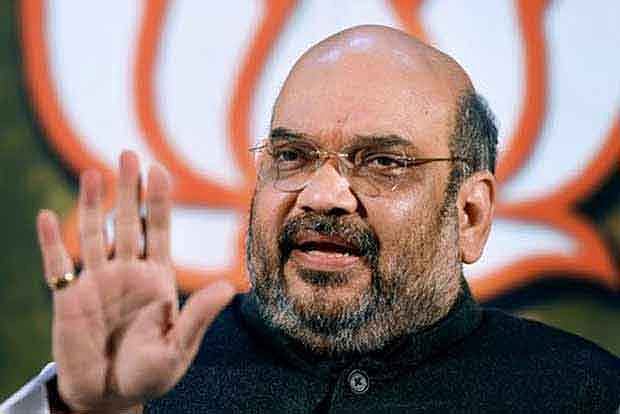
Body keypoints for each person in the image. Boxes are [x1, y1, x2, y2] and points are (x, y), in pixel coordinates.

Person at [2, 25, 620, 413]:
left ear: (470, 214)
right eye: (293, 156)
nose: (323, 195)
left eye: (382, 162)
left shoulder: (583, 393)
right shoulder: (150, 376)